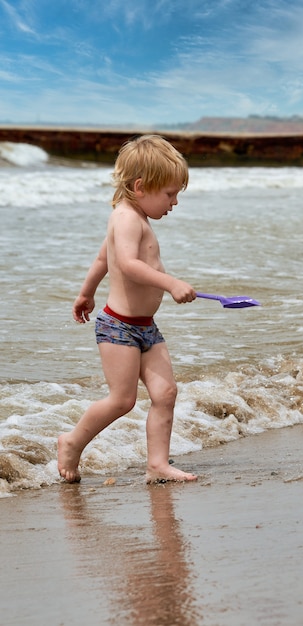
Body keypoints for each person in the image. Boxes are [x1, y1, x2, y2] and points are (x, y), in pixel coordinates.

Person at [58, 135, 198, 484]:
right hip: (118, 327)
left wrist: (85, 292)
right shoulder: (126, 219)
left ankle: (157, 464)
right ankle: (72, 442)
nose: (175, 202)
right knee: (122, 400)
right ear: (140, 187)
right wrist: (170, 282)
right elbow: (127, 263)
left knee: (166, 393)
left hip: (145, 326)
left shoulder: (134, 217)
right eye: (169, 193)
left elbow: (103, 258)